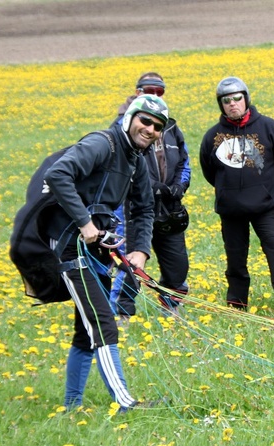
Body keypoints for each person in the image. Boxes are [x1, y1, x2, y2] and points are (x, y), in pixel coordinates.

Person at [42, 94, 169, 411]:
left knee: (85, 333)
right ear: (130, 119)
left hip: (97, 250)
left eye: (157, 126)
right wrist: (84, 223)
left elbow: (144, 209)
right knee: (103, 324)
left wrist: (141, 250)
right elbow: (58, 175)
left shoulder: (136, 161)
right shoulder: (103, 144)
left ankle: (72, 407)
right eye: (145, 121)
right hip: (72, 247)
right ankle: (125, 403)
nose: (150, 129)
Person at [200, 76, 274, 311]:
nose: (232, 104)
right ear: (221, 104)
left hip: (266, 207)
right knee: (235, 259)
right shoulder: (212, 136)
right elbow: (209, 171)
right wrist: (227, 191)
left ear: (246, 99)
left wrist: (269, 187)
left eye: (237, 98)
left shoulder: (269, 127)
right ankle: (237, 303)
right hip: (231, 210)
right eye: (226, 100)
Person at [110, 72, 191, 317]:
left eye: (159, 92)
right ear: (137, 92)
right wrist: (153, 187)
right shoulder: (122, 126)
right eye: (149, 90)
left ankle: (171, 305)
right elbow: (123, 165)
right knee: (131, 263)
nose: (154, 95)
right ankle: (120, 314)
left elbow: (184, 161)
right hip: (132, 209)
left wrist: (180, 185)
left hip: (169, 208)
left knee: (177, 264)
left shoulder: (172, 126)